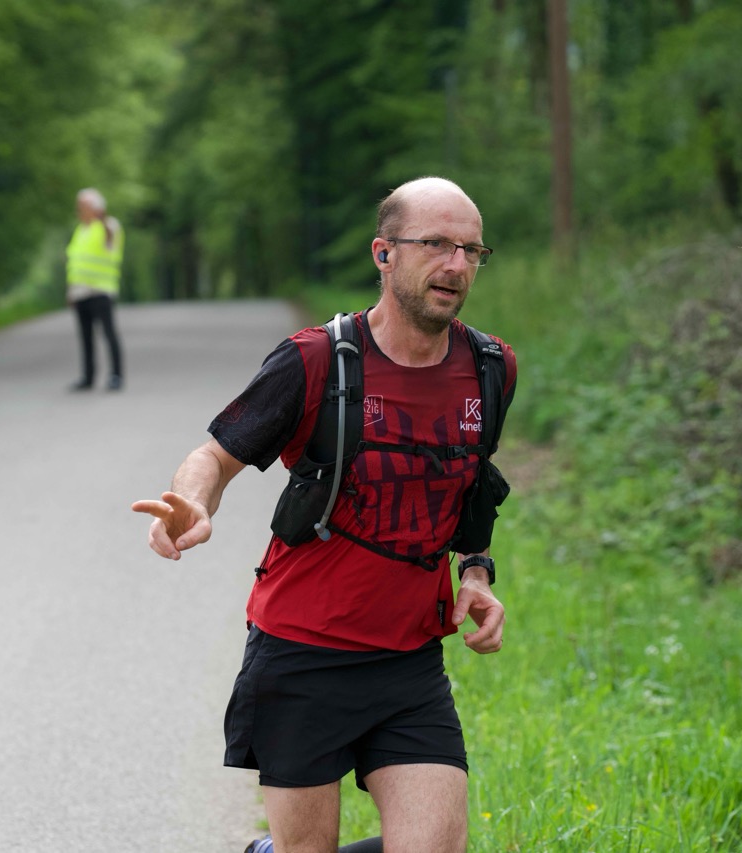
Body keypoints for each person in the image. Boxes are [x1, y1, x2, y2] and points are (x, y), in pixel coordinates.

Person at [132, 177, 515, 853]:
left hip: (409, 663)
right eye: (435, 244)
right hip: (301, 653)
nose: (456, 264)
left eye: (471, 250)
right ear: (383, 253)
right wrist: (193, 499)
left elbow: (467, 492)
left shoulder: (490, 368)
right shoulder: (315, 360)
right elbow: (215, 455)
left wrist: (476, 573)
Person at [65, 187, 124, 391]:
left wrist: (101, 218)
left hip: (101, 289)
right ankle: (88, 377)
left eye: (84, 206)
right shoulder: (81, 230)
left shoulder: (109, 225)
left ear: (96, 207)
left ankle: (116, 375)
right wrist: (71, 290)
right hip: (80, 291)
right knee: (85, 336)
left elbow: (110, 240)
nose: (80, 210)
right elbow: (75, 263)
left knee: (108, 333)